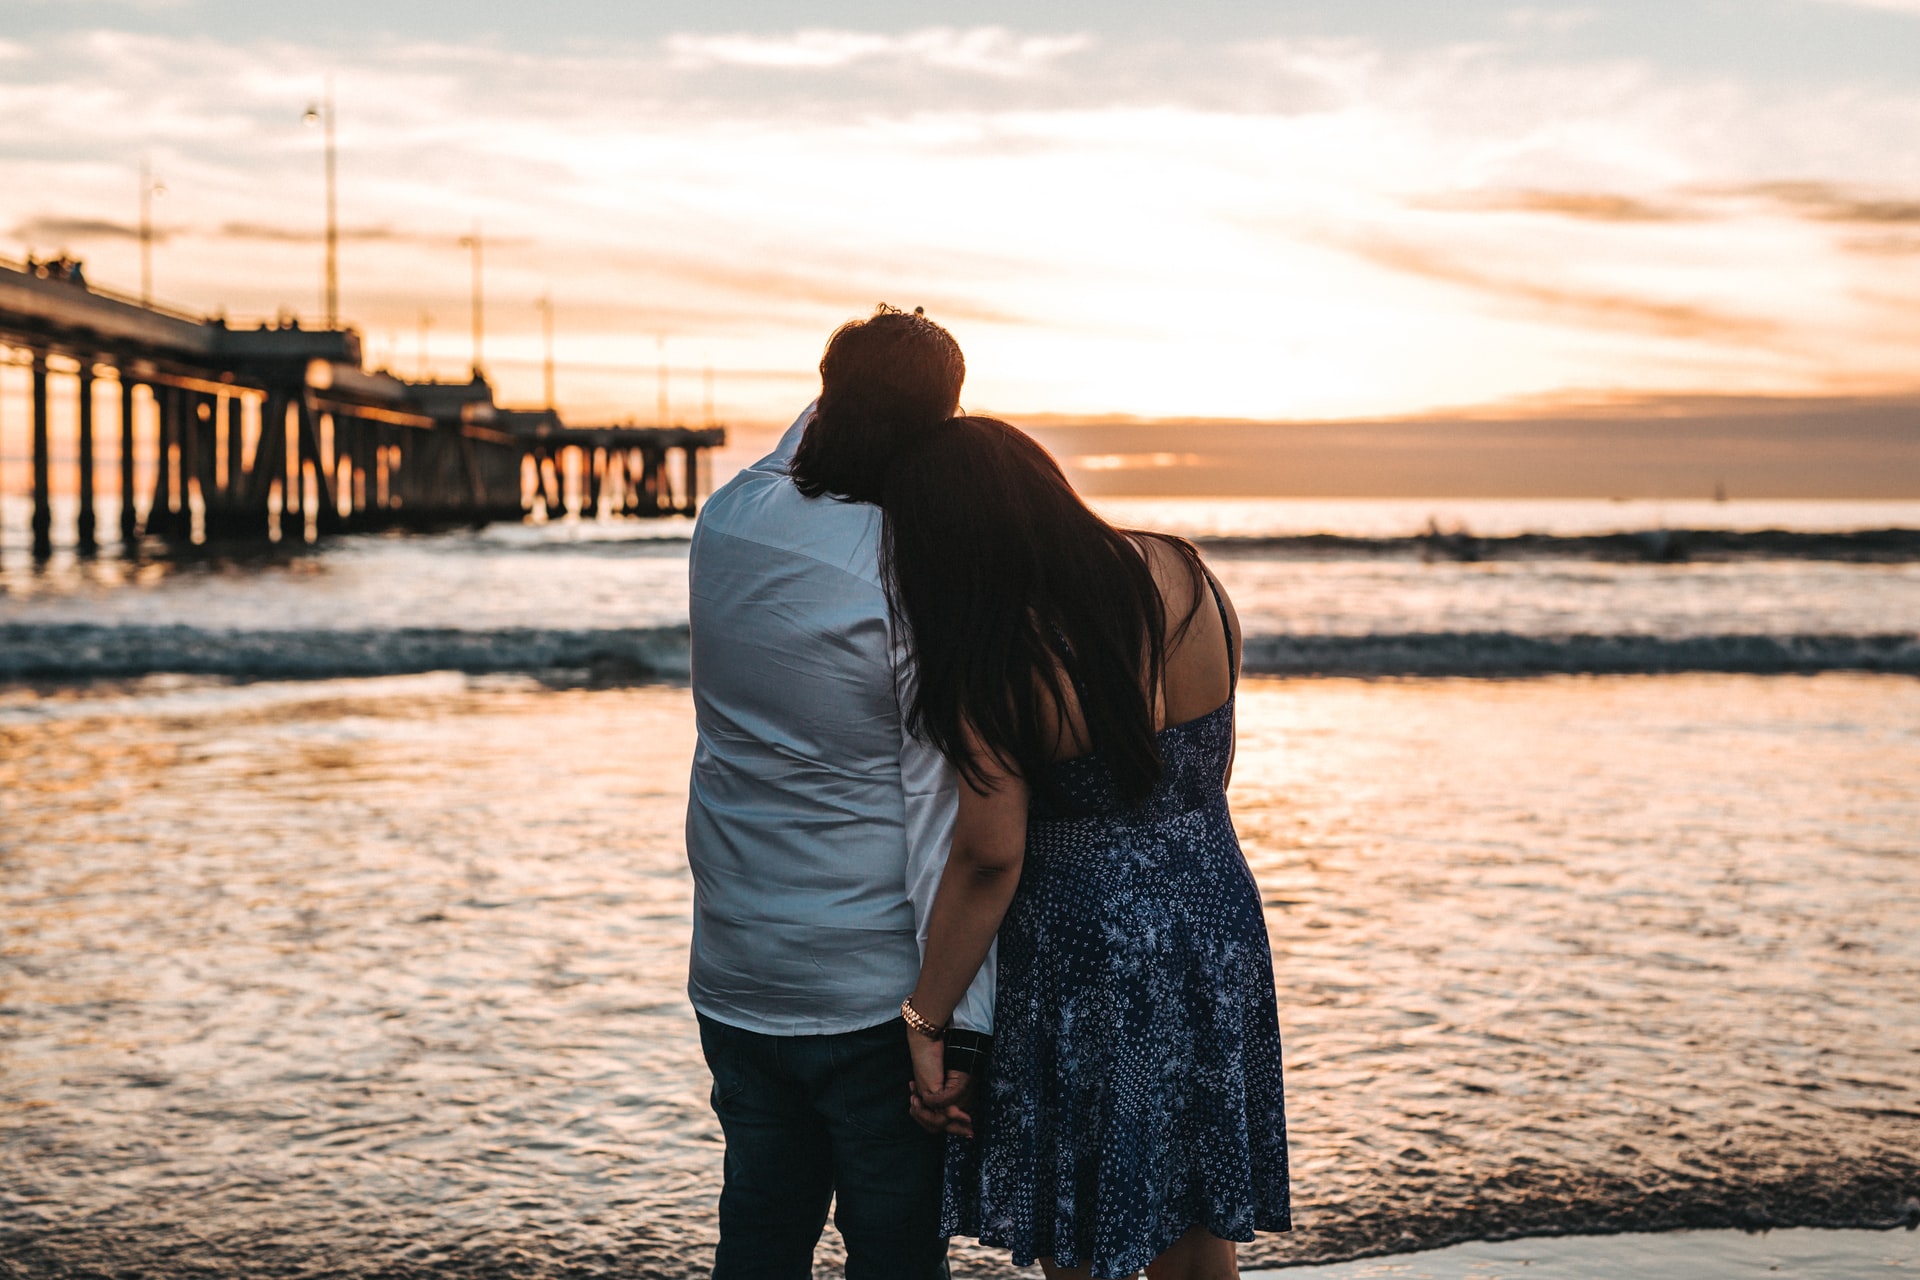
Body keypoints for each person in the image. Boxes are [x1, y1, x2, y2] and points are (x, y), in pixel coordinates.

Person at [883, 417, 1292, 1280]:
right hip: (1215, 913)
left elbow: (990, 856)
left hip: (1089, 955)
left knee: (1083, 1237)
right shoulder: (1186, 571)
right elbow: (1204, 765)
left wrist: (925, 1018)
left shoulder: (1000, 649)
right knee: (1193, 1228)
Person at [684, 306, 992, 1280]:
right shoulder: (908, 560)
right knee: (896, 1256)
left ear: (824, 394)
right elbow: (956, 821)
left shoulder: (726, 518)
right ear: (941, 423)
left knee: (759, 1245)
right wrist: (950, 1023)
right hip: (871, 992)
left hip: (738, 972)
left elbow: (798, 456)